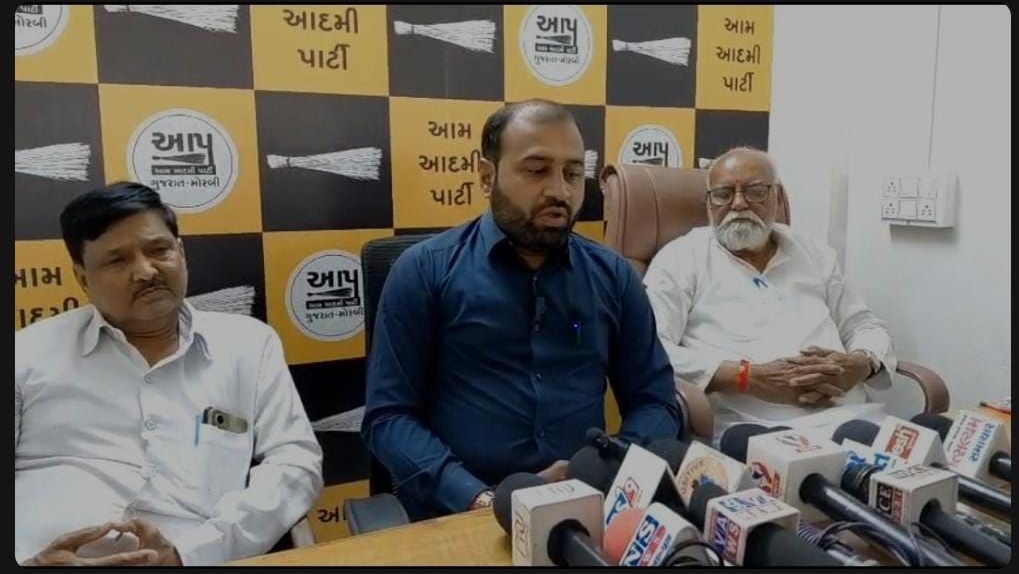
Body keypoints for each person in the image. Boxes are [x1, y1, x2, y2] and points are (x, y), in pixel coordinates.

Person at [362, 99, 682, 520]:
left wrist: (611, 467)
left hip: (585, 507)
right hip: (461, 513)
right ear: (486, 176)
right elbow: (389, 418)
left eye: (572, 173)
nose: (560, 191)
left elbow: (656, 402)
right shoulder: (424, 272)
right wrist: (482, 499)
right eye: (536, 171)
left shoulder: (614, 276)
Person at [15, 183, 323, 565]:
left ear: (181, 252)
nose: (145, 272)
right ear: (82, 278)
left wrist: (187, 554)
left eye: (159, 250)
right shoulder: (25, 355)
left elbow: (295, 463)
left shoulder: (248, 345)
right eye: (117, 261)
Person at [644, 147, 896, 438]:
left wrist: (861, 363)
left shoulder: (815, 253)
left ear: (777, 196)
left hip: (852, 419)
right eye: (723, 194)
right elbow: (652, 348)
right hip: (755, 431)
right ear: (709, 203)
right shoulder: (681, 258)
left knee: (931, 438)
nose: (739, 204)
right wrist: (745, 377)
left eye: (755, 191)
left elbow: (864, 325)